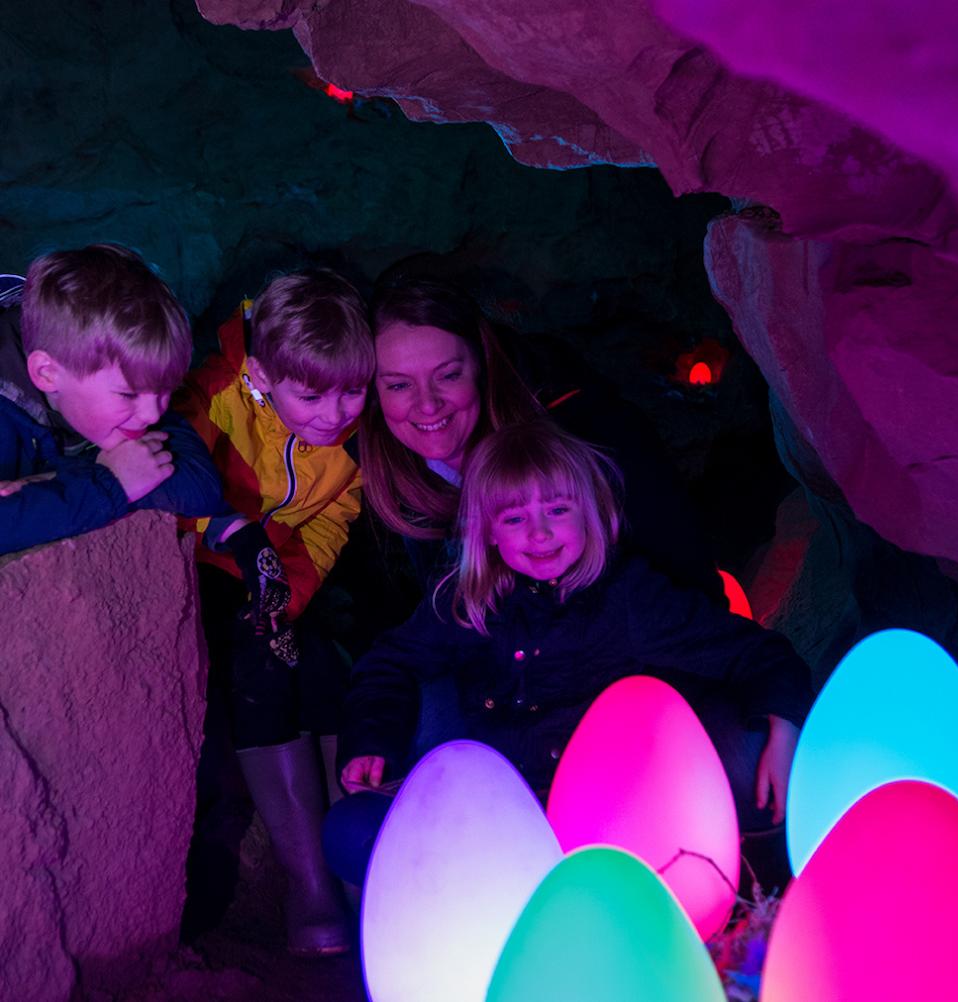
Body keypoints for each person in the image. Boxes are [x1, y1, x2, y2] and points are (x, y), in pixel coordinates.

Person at [324, 421, 811, 887]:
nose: (539, 533)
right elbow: (389, 661)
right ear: (489, 531)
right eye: (515, 518)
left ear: (590, 513)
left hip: (607, 813)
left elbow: (755, 651)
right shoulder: (466, 601)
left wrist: (783, 726)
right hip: (498, 806)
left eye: (557, 510)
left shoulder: (629, 598)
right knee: (352, 832)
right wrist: (372, 741)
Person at [172, 269, 373, 955]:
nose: (336, 412)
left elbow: (335, 513)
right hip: (203, 567)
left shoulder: (353, 437)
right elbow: (174, 476)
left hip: (279, 575)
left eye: (353, 390)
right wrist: (231, 545)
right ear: (263, 375)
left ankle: (353, 875)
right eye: (311, 394)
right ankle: (308, 883)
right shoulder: (218, 394)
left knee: (323, 672)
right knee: (258, 672)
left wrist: (294, 589)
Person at [360, 272, 725, 603]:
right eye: (399, 385)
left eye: (448, 376)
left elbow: (685, 572)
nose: (427, 404)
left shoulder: (589, 435)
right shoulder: (394, 472)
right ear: (374, 393)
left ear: (481, 365)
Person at [0, 244, 223, 554]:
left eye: (166, 388)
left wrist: (60, 479)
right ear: (47, 374)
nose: (152, 414)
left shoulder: (131, 387)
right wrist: (111, 484)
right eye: (128, 394)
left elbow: (201, 486)